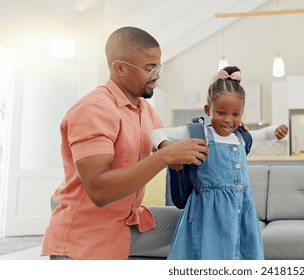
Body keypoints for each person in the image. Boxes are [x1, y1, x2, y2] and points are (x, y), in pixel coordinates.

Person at [41, 26, 208, 260]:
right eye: (150, 67)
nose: (157, 75)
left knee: (204, 220)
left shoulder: (145, 110)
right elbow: (99, 190)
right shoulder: (93, 110)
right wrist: (165, 157)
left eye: (159, 66)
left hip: (127, 222)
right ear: (119, 67)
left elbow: (162, 142)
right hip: (87, 235)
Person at [150, 66, 289, 260]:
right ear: (208, 110)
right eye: (222, 113)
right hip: (207, 211)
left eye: (235, 114)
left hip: (241, 209)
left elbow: (264, 134)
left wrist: (276, 131)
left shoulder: (242, 137)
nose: (228, 120)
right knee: (208, 253)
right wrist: (168, 149)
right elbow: (156, 132)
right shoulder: (198, 133)